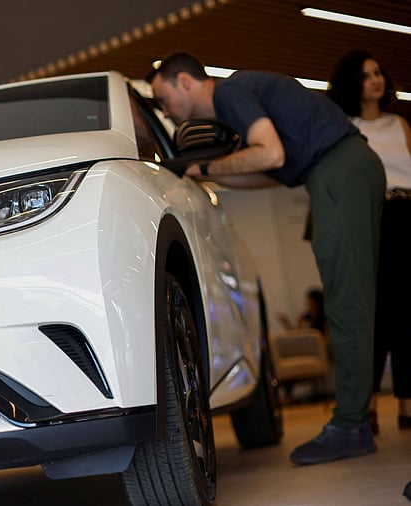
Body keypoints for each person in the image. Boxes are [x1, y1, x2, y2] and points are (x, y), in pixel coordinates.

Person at [149, 53, 385, 465]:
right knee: (349, 297)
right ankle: (355, 420)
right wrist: (203, 175)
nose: (164, 109)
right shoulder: (242, 101)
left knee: (348, 302)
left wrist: (203, 164)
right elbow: (272, 173)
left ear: (184, 81)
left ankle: (351, 425)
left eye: (163, 97)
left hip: (339, 169)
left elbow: (270, 154)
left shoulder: (231, 93)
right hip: (331, 172)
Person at [328, 49, 411, 434]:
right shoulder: (346, 126)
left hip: (407, 216)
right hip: (371, 219)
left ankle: (408, 404)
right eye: (365, 75)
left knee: (409, 316)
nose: (375, 80)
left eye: (378, 72)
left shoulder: (401, 124)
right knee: (373, 312)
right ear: (352, 84)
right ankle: (369, 405)